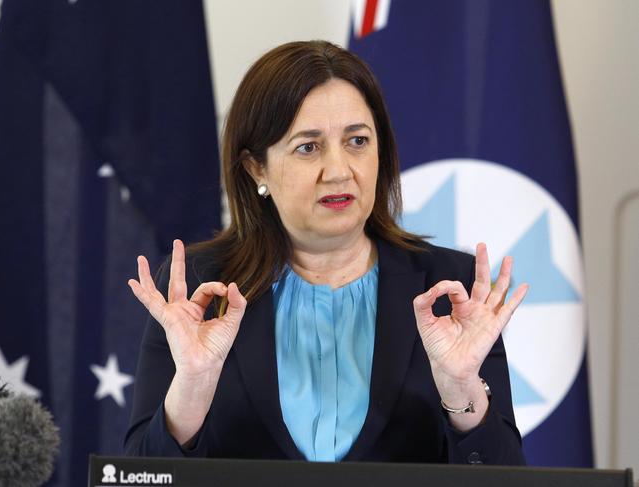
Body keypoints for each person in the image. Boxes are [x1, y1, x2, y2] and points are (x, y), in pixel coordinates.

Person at [124, 40, 528, 464]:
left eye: (357, 140)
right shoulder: (199, 288)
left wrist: (461, 389)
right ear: (255, 168)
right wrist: (193, 385)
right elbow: (138, 477)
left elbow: (505, 476)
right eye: (308, 147)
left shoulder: (450, 287)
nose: (338, 171)